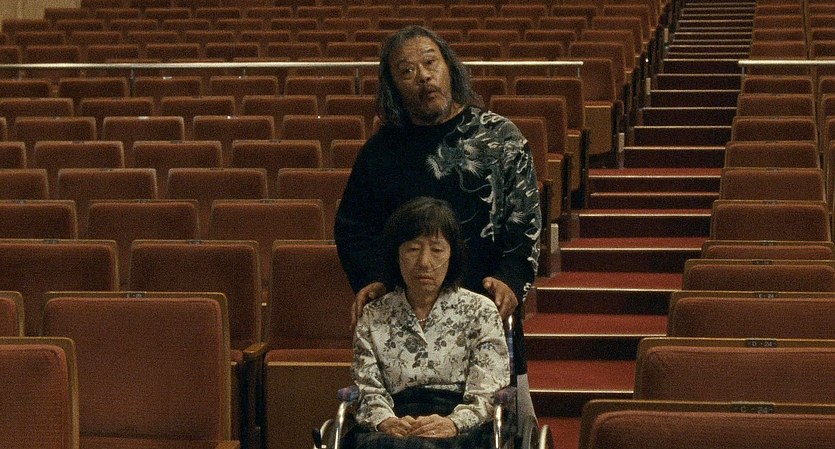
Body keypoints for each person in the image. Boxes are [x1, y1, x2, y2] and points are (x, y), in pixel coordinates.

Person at [334, 25, 541, 422]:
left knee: (503, 424)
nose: (424, 77)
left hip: (484, 307)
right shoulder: (380, 151)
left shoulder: (501, 138)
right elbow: (354, 228)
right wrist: (371, 277)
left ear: (450, 67)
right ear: (393, 87)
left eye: (431, 63)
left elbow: (525, 222)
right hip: (405, 318)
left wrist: (511, 280)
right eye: (407, 71)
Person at [350, 196, 510, 449]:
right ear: (397, 255)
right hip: (395, 423)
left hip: (462, 424)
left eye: (437, 250)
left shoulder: (480, 311)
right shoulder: (374, 314)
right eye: (413, 249)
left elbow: (488, 391)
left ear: (452, 255)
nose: (425, 262)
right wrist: (385, 421)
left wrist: (454, 423)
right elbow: (367, 388)